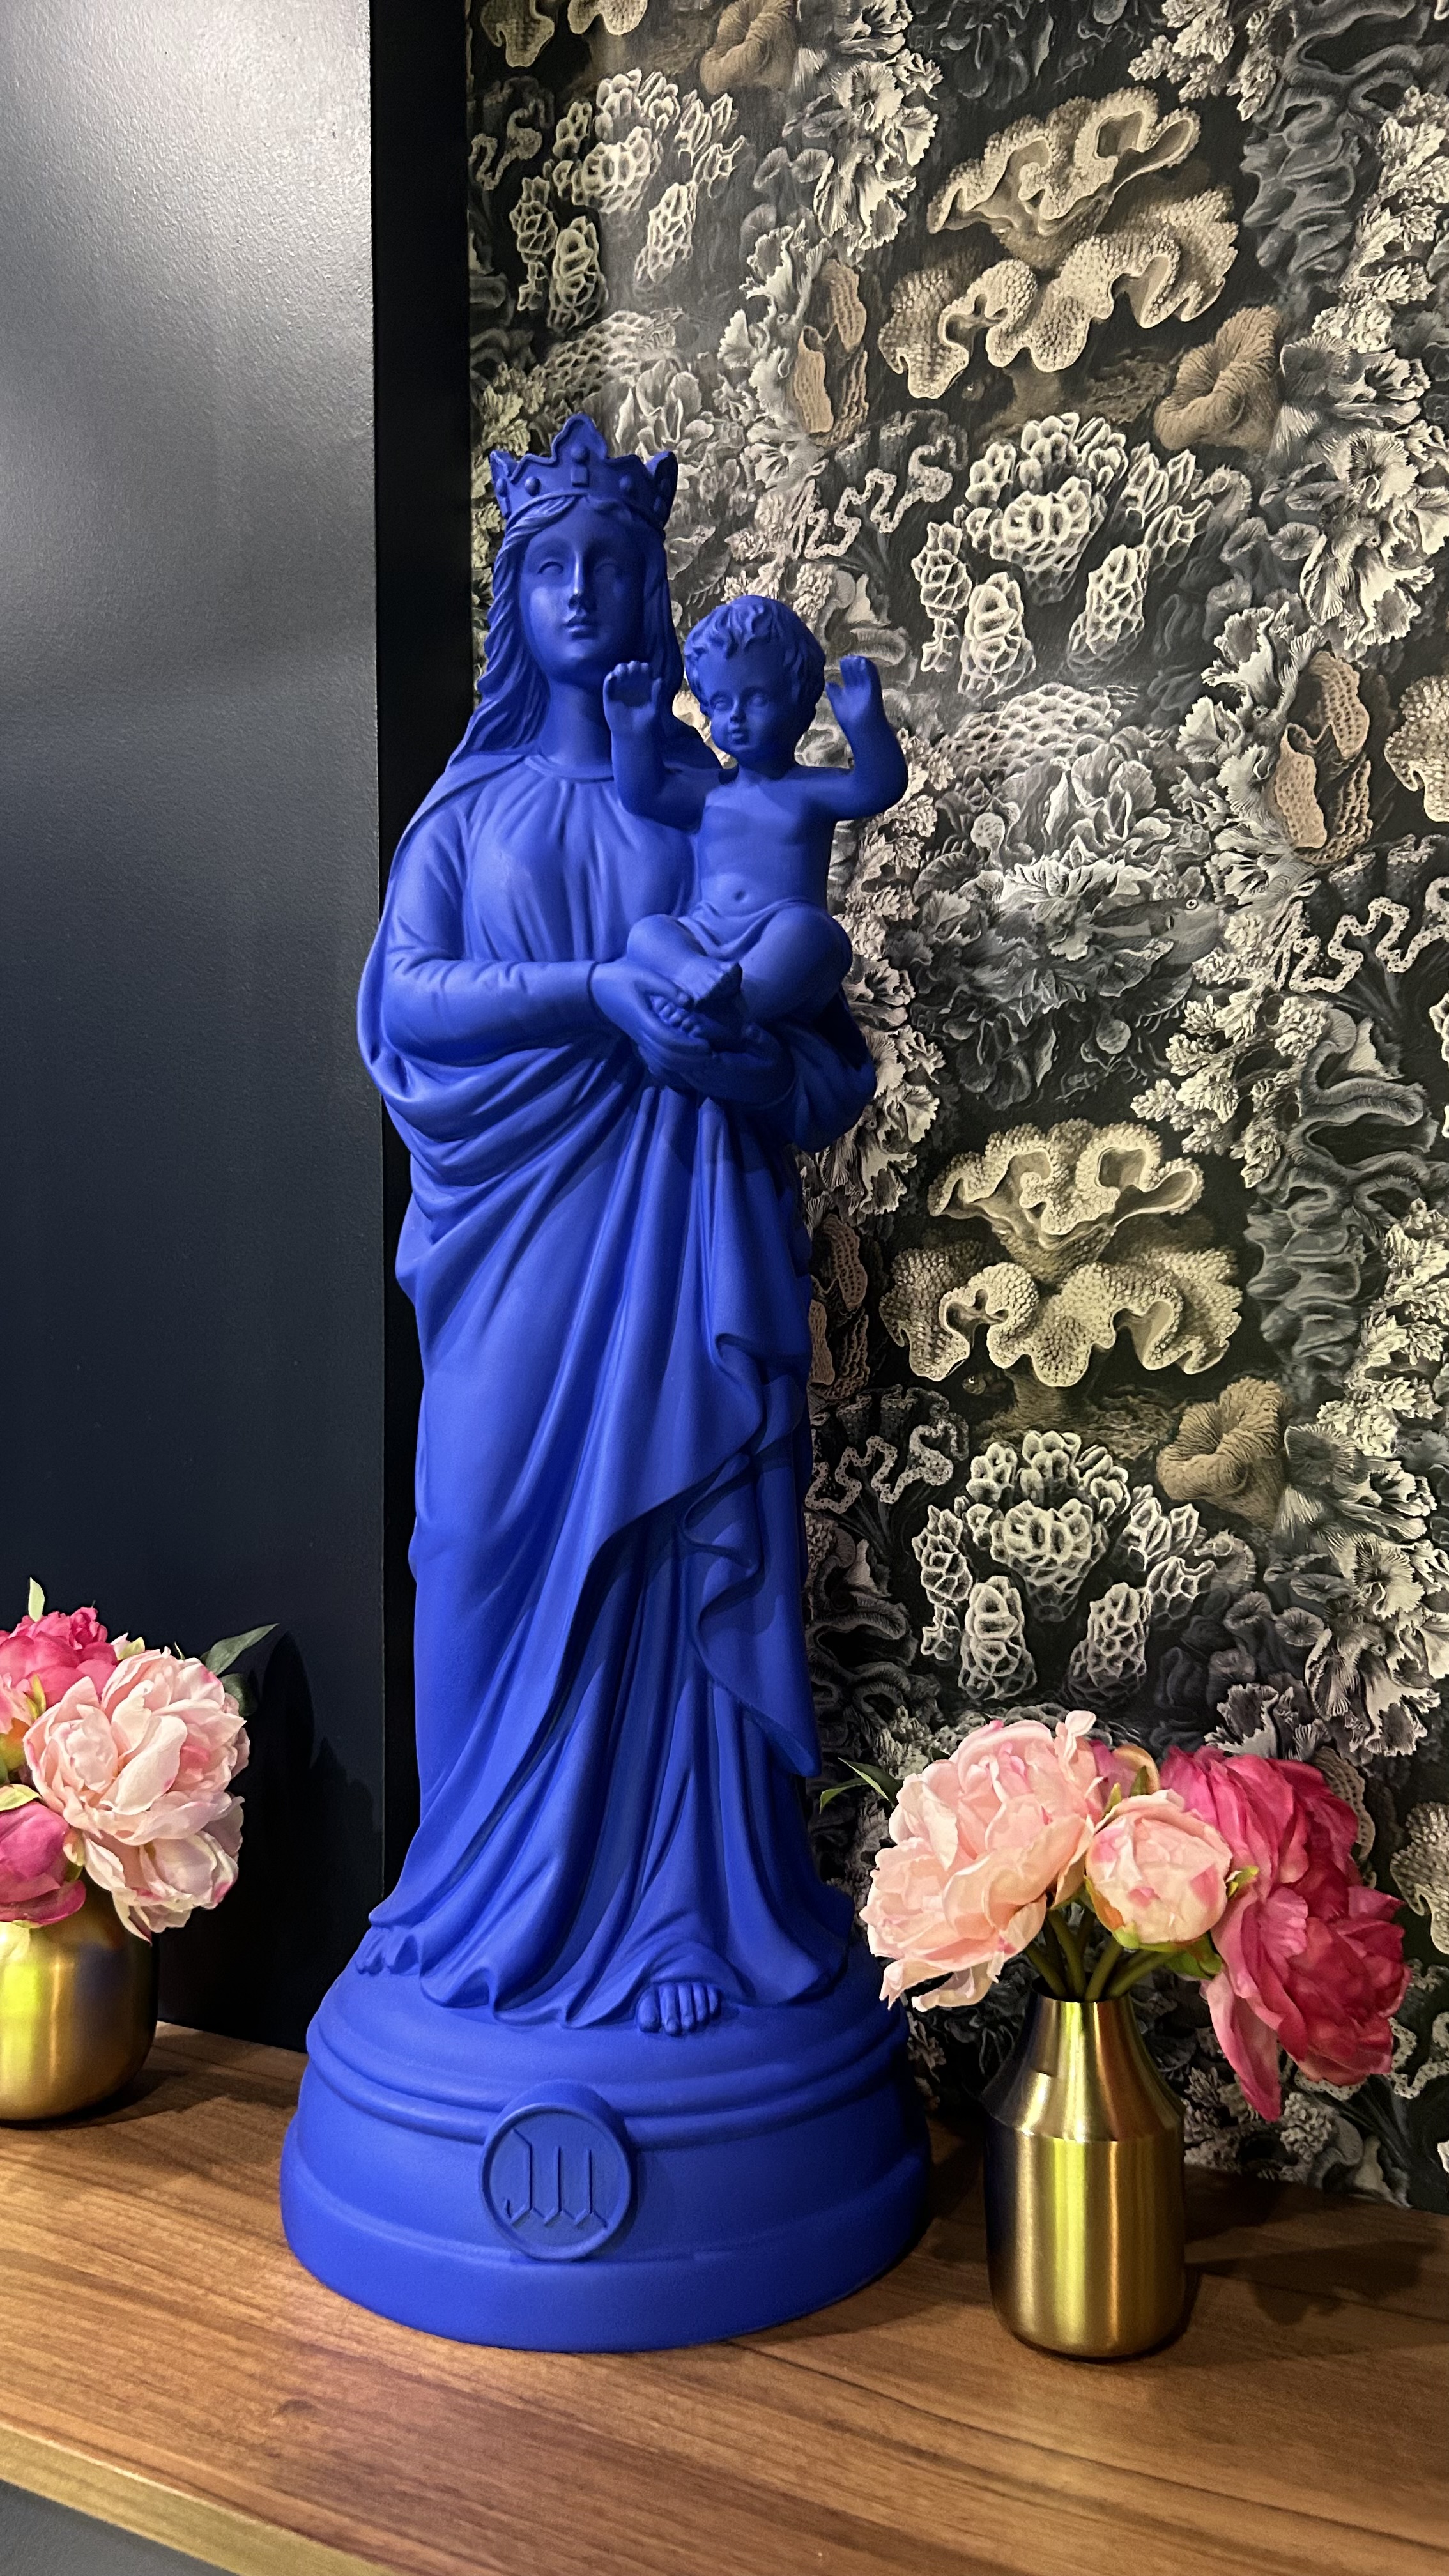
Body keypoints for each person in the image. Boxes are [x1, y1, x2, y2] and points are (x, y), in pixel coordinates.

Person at [353, 417, 877, 2039]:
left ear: (654, 593)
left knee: (675, 1545)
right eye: (550, 567)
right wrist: (595, 992)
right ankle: (472, 1901)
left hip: (688, 1232)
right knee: (472, 1545)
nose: (582, 590)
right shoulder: (466, 820)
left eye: (613, 563)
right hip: (518, 1250)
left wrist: (734, 1059)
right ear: (514, 603)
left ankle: (680, 1918)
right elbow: (407, 1003)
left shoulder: (720, 809)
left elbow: (824, 1069)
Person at [602, 597, 907, 1043]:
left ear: (801, 703)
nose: (737, 717)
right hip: (708, 934)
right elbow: (644, 795)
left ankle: (735, 1012)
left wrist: (867, 726)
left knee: (814, 935)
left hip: (779, 938)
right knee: (649, 932)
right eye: (720, 703)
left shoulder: (808, 791)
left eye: (757, 699)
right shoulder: (710, 792)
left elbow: (878, 787)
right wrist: (630, 734)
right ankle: (691, 975)